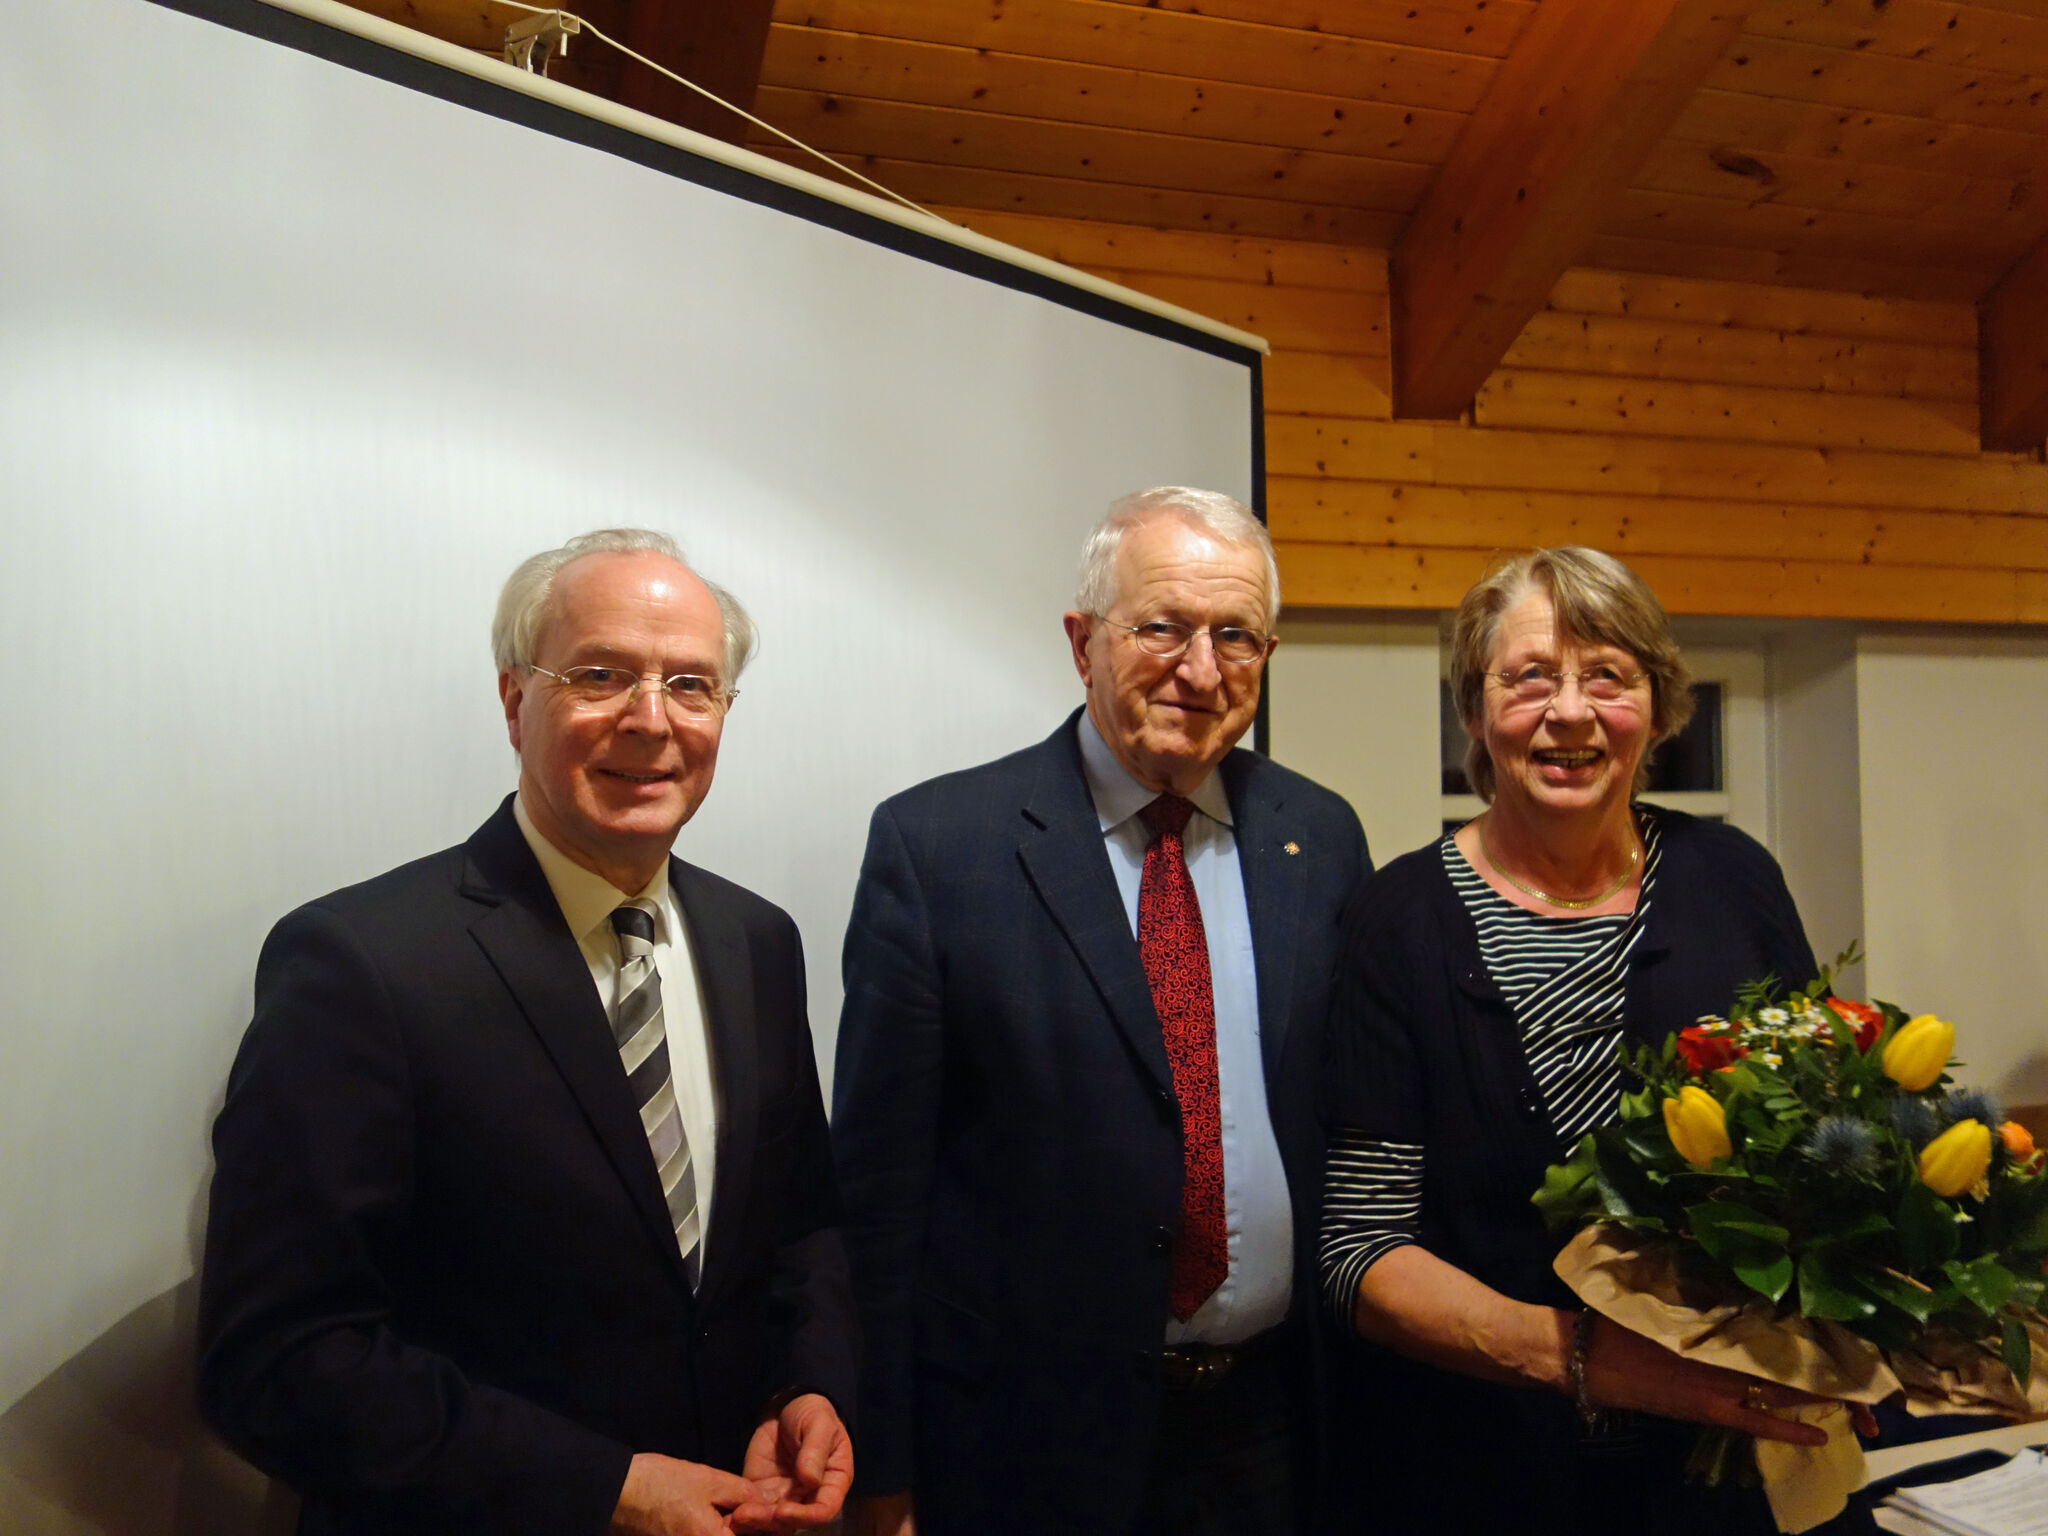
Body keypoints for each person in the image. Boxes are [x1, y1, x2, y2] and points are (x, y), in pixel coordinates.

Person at [198, 529, 855, 1536]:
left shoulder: (758, 941)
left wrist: (808, 1385)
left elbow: (800, 1221)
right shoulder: (360, 963)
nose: (651, 721)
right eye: (601, 676)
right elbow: (280, 1361)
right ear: (515, 700)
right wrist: (608, 1491)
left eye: (691, 685)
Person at [833, 487, 1371, 1536]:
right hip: (1021, 1442)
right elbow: (878, 1192)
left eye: (1235, 637)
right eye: (1161, 628)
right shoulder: (938, 846)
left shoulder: (1318, 835)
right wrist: (881, 1468)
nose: (1200, 670)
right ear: (1082, 643)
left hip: (1268, 1427)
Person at [1318, 547, 1861, 1534]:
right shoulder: (1393, 923)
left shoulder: (1732, 879)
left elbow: (1822, 1141)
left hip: (1725, 1479)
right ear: (1475, 715)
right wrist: (1593, 1364)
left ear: (1653, 708)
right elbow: (1361, 1251)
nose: (1568, 713)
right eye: (1527, 678)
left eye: (1606, 676)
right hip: (1481, 1478)